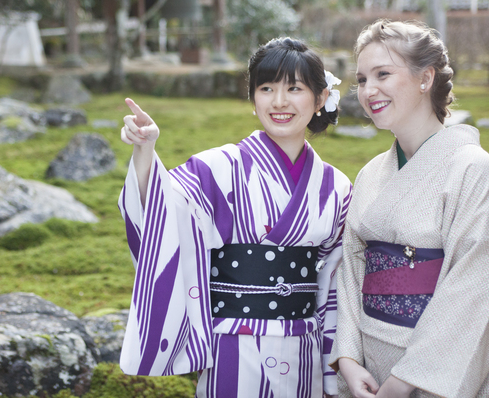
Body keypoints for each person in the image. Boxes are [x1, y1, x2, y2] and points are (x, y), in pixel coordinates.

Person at [118, 37, 352, 397]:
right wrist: (145, 151)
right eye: (266, 88)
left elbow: (334, 282)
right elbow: (160, 214)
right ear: (252, 97)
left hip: (302, 343)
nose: (279, 101)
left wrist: (332, 362)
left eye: (294, 88)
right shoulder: (218, 167)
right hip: (232, 342)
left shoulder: (335, 186)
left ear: (320, 99)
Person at [329, 20, 489, 398]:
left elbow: (474, 288)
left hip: (440, 373)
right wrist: (350, 359)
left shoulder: (473, 170)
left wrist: (407, 380)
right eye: (362, 79)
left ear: (426, 78)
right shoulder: (372, 173)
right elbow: (353, 271)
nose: (369, 90)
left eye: (383, 74)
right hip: (371, 365)